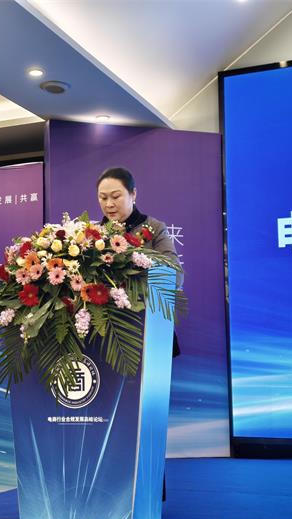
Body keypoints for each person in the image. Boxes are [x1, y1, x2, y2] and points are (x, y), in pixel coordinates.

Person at [96, 166, 181, 502]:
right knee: (109, 417)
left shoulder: (153, 229)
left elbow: (174, 274)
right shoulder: (89, 235)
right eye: (103, 198)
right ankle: (108, 491)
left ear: (133, 194)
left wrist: (133, 268)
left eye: (116, 196)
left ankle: (147, 493)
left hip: (146, 337)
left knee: (144, 417)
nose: (109, 204)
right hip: (105, 338)